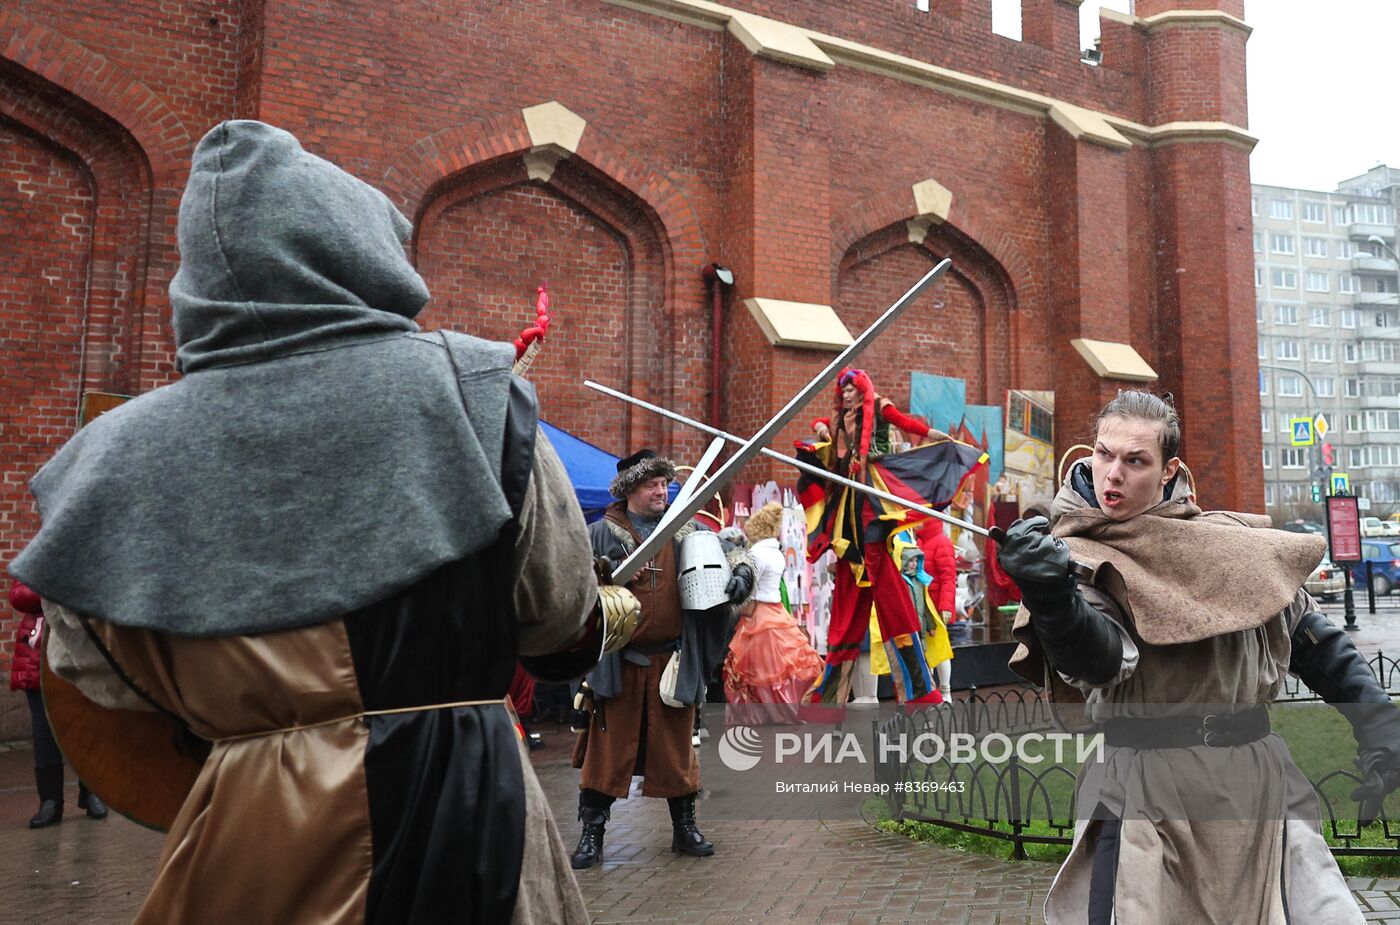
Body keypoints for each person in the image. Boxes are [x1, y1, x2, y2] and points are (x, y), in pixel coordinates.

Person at [10, 120, 612, 925]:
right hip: (470, 828)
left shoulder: (106, 463)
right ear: (358, 248)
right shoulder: (472, 394)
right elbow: (557, 616)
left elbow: (99, 689)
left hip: (245, 847)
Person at [997, 390, 1400, 925]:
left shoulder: (1228, 545)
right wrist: (1052, 600)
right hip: (1146, 791)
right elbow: (1102, 663)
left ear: (1169, 470)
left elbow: (1312, 640)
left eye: (1135, 460)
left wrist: (1379, 726)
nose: (1112, 474)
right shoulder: (1077, 554)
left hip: (1256, 784)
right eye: (1103, 454)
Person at [571, 449, 755, 870]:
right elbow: (575, 582)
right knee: (607, 751)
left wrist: (741, 573)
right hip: (618, 661)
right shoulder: (600, 533)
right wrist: (608, 570)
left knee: (676, 751)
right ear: (631, 489)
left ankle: (685, 829)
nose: (662, 491)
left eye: (663, 484)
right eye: (653, 485)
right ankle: (591, 835)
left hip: (671, 661)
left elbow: (730, 553)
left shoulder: (684, 528)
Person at [799, 368, 983, 706]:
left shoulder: (879, 407)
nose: (849, 395)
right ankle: (831, 698)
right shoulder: (842, 416)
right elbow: (819, 425)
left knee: (879, 566)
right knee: (850, 587)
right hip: (851, 496)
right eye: (845, 391)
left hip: (875, 487)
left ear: (863, 389)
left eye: (853, 389)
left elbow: (903, 422)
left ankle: (920, 690)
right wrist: (822, 427)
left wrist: (931, 433)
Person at [7, 579, 106, 827]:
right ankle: (50, 802)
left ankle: (92, 791)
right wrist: (50, 589)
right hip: (38, 656)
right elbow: (18, 595)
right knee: (44, 734)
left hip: (80, 652)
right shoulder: (38, 550)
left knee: (87, 729)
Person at [722, 502, 824, 723]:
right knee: (777, 669)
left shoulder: (757, 553)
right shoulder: (775, 553)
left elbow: (749, 585)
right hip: (775, 611)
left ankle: (769, 714)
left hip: (759, 613)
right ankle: (786, 711)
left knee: (762, 670)